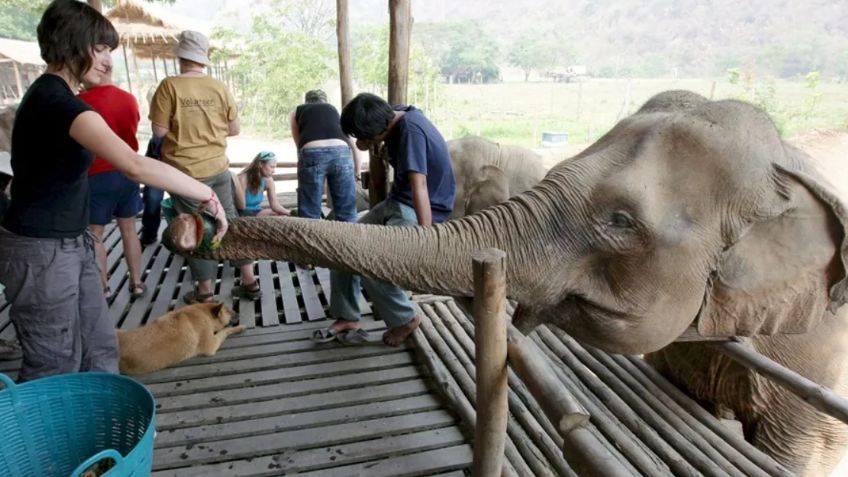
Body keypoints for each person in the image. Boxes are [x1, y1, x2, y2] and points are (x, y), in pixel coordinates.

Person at [0, 0, 228, 382]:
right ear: (71, 45)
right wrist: (207, 195)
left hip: (74, 241)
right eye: (100, 49)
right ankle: (47, 438)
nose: (108, 61)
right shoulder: (57, 103)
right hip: (40, 249)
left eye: (109, 50)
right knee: (54, 361)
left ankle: (100, 424)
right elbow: (134, 163)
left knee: (100, 344)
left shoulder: (62, 100)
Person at [316, 92, 456, 346]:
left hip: (419, 207)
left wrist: (426, 237)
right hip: (398, 201)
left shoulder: (411, 132)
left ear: (378, 129)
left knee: (372, 258)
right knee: (341, 245)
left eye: (362, 137)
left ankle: (406, 318)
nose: (360, 141)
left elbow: (420, 186)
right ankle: (347, 315)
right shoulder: (394, 113)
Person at [149, 30, 259, 304]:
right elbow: (234, 129)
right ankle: (249, 282)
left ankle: (206, 293)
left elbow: (158, 131)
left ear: (180, 57)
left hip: (185, 175)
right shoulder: (219, 86)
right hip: (218, 168)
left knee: (195, 227)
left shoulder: (169, 86)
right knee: (230, 222)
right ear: (204, 58)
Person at [79, 66, 146, 300]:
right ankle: (137, 282)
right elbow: (132, 130)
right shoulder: (128, 99)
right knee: (129, 230)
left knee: (95, 234)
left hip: (96, 174)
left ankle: (103, 287)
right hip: (128, 171)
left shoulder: (79, 102)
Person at [290, 89, 359, 222]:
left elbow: (299, 143)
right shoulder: (334, 110)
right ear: (325, 101)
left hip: (312, 151)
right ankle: (351, 241)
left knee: (310, 212)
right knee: (347, 210)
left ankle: (310, 239)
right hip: (342, 152)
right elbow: (351, 142)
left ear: (306, 101)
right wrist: (356, 170)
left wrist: (305, 165)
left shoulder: (297, 111)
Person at [232, 150, 290, 216]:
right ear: (260, 164)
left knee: (280, 215)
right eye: (271, 167)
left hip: (257, 210)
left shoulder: (268, 180)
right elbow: (240, 206)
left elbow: (275, 205)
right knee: (271, 215)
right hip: (240, 212)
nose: (274, 171)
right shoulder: (243, 179)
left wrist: (290, 212)